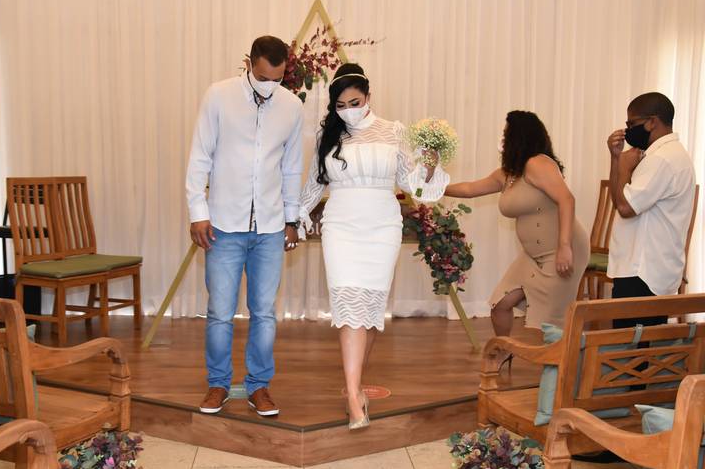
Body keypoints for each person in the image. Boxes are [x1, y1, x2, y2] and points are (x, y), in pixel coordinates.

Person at [297, 63, 450, 430]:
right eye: (340, 105)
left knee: (369, 308)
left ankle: (357, 385)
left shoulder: (394, 131)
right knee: (348, 303)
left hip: (382, 226)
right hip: (341, 226)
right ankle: (353, 395)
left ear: (368, 96)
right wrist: (296, 216)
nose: (348, 110)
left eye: (355, 102)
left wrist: (429, 169)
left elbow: (411, 184)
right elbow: (315, 184)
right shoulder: (328, 136)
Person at [186, 35, 303, 417]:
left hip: (270, 226)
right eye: (264, 77)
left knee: (264, 313)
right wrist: (197, 212)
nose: (270, 85)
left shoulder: (292, 106)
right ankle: (218, 384)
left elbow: (291, 168)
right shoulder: (218, 96)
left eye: (278, 79)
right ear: (249, 64)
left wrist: (291, 220)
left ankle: (259, 386)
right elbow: (200, 157)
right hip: (223, 224)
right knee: (220, 312)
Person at [444, 111, 589, 367]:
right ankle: (504, 351)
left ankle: (567, 370)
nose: (502, 139)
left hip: (562, 249)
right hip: (532, 256)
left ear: (519, 136)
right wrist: (432, 188)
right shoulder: (509, 174)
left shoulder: (538, 164)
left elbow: (567, 199)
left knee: (553, 323)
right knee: (500, 304)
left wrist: (564, 247)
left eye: (506, 133)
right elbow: (469, 189)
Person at [606, 92, 696, 327]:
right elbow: (619, 199)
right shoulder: (668, 154)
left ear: (652, 122)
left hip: (642, 269)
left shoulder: (661, 159)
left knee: (627, 344)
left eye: (632, 124)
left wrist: (623, 167)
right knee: (642, 342)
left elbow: (625, 207)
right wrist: (616, 160)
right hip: (649, 266)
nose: (627, 130)